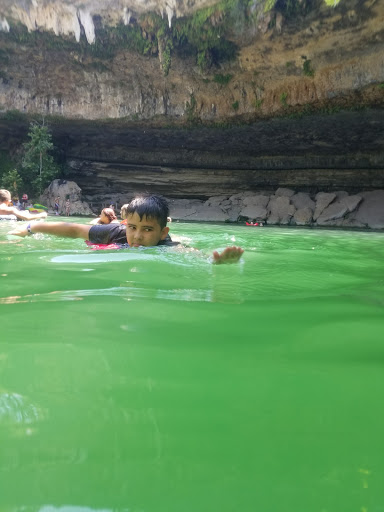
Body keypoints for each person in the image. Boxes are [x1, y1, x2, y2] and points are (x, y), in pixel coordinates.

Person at [9, 194, 244, 264]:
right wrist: (31, 226)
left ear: (163, 233)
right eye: (133, 227)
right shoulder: (117, 232)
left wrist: (216, 262)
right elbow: (74, 229)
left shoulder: (166, 244)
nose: (138, 236)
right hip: (110, 238)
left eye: (147, 230)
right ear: (125, 224)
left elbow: (191, 256)